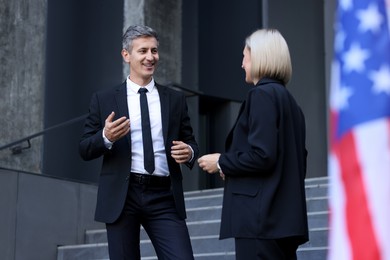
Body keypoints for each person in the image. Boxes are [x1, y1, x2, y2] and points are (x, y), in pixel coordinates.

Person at [79, 25, 198, 260]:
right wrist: (106, 137)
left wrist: (190, 152)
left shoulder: (174, 100)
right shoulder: (104, 99)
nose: (150, 57)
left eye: (154, 51)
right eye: (142, 51)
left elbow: (190, 140)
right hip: (123, 196)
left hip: (164, 196)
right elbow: (84, 148)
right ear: (126, 55)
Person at [197, 28, 309, 259]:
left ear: (258, 57)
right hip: (283, 221)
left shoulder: (261, 96)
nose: (242, 64)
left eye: (244, 56)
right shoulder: (291, 104)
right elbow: (293, 162)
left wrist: (221, 162)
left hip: (261, 219)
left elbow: (262, 156)